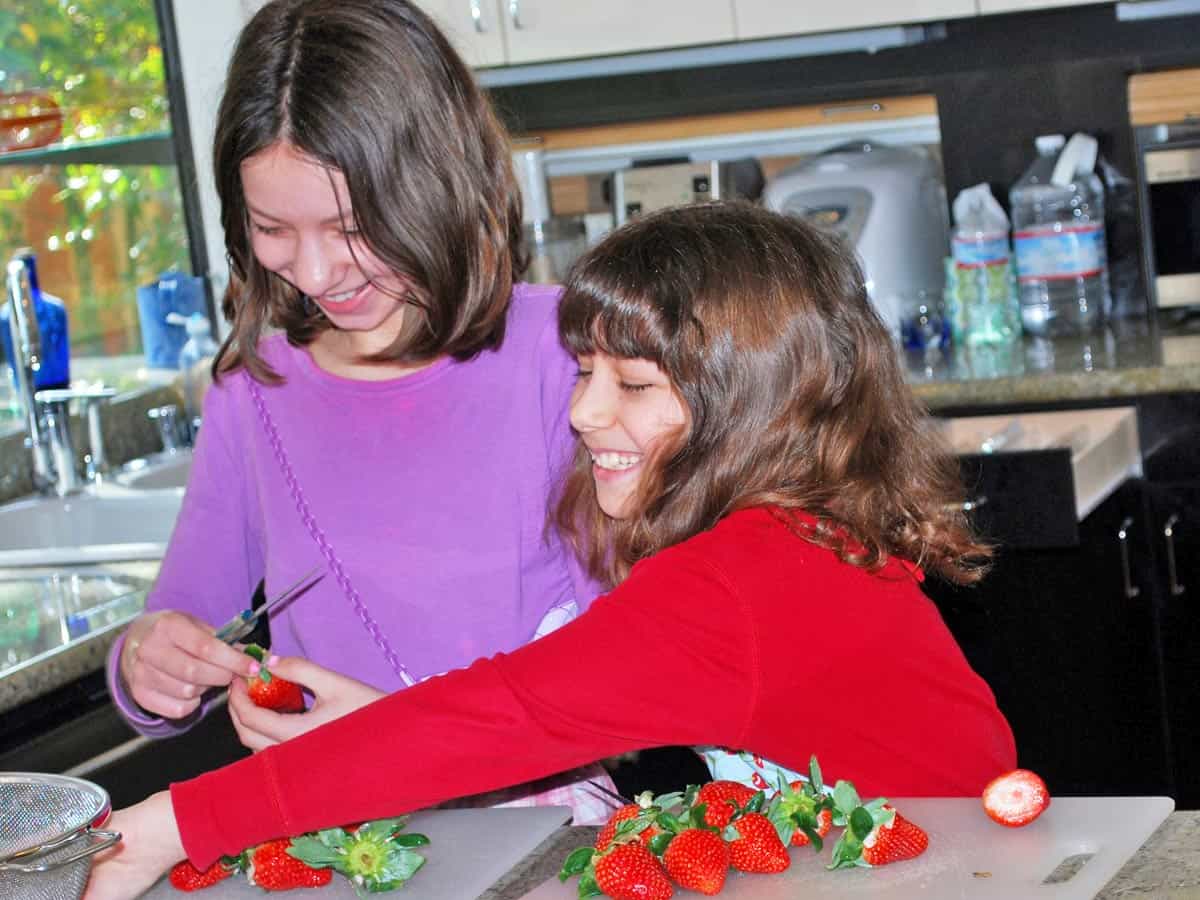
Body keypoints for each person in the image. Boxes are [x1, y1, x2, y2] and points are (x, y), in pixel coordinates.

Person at [84, 202, 1016, 900]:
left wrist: (160, 830)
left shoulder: (732, 587)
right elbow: (512, 715)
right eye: (584, 371)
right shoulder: (787, 541)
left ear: (754, 406)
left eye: (632, 384)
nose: (583, 411)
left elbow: (502, 713)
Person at [106, 0, 617, 820]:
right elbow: (183, 625)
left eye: (350, 227)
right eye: (273, 228)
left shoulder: (570, 360)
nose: (314, 273)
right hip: (335, 843)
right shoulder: (252, 390)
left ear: (435, 184)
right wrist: (150, 660)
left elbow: (631, 672)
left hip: (541, 835)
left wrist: (405, 737)